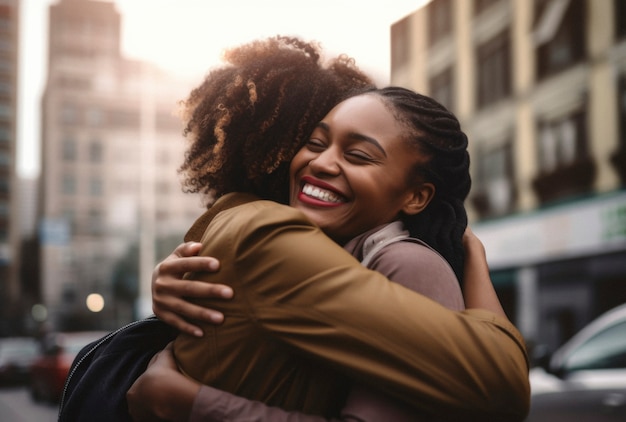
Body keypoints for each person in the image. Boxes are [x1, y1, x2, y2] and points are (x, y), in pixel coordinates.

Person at [127, 37, 530, 421]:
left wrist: (188, 404)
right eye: (315, 142)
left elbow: (503, 387)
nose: (321, 164)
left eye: (357, 154)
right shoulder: (277, 238)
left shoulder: (402, 261)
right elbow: (502, 383)